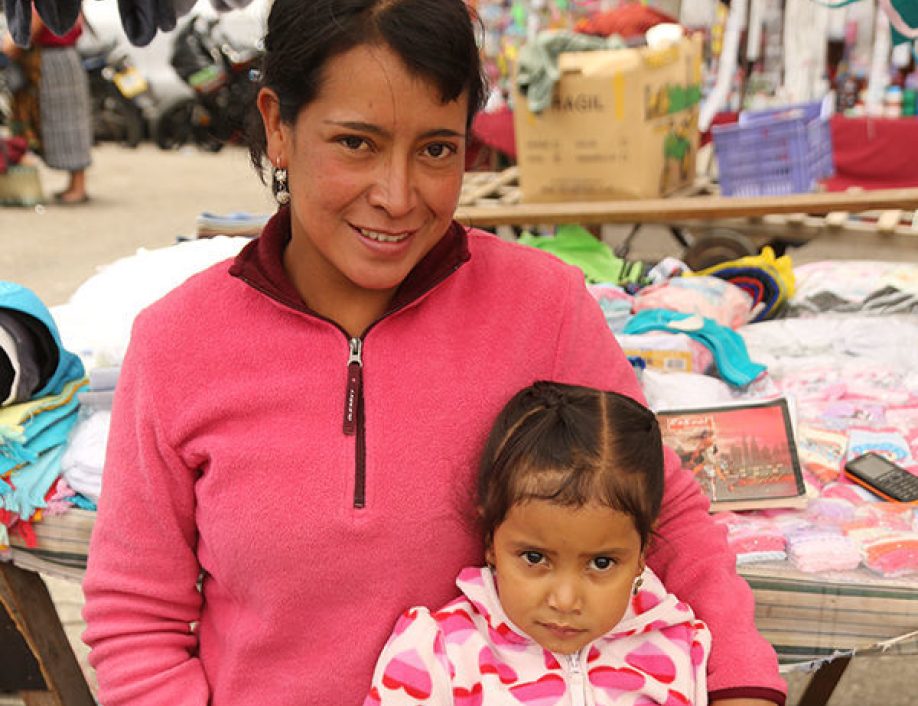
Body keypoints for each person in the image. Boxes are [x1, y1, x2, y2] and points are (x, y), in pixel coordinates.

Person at [81, 1, 786, 705]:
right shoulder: (179, 342)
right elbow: (138, 617)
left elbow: (668, 519)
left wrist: (743, 683)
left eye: (436, 149)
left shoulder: (544, 309)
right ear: (278, 126)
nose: (397, 196)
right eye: (356, 143)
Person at [365, 381, 712, 704]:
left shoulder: (681, 647)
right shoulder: (441, 653)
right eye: (534, 557)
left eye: (601, 563)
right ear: (490, 540)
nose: (564, 601)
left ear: (642, 553)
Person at [1, 9, 92, 204]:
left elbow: (33, 22)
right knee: (69, 121)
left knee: (66, 123)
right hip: (61, 57)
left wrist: (11, 44)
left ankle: (78, 187)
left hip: (54, 60)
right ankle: (76, 185)